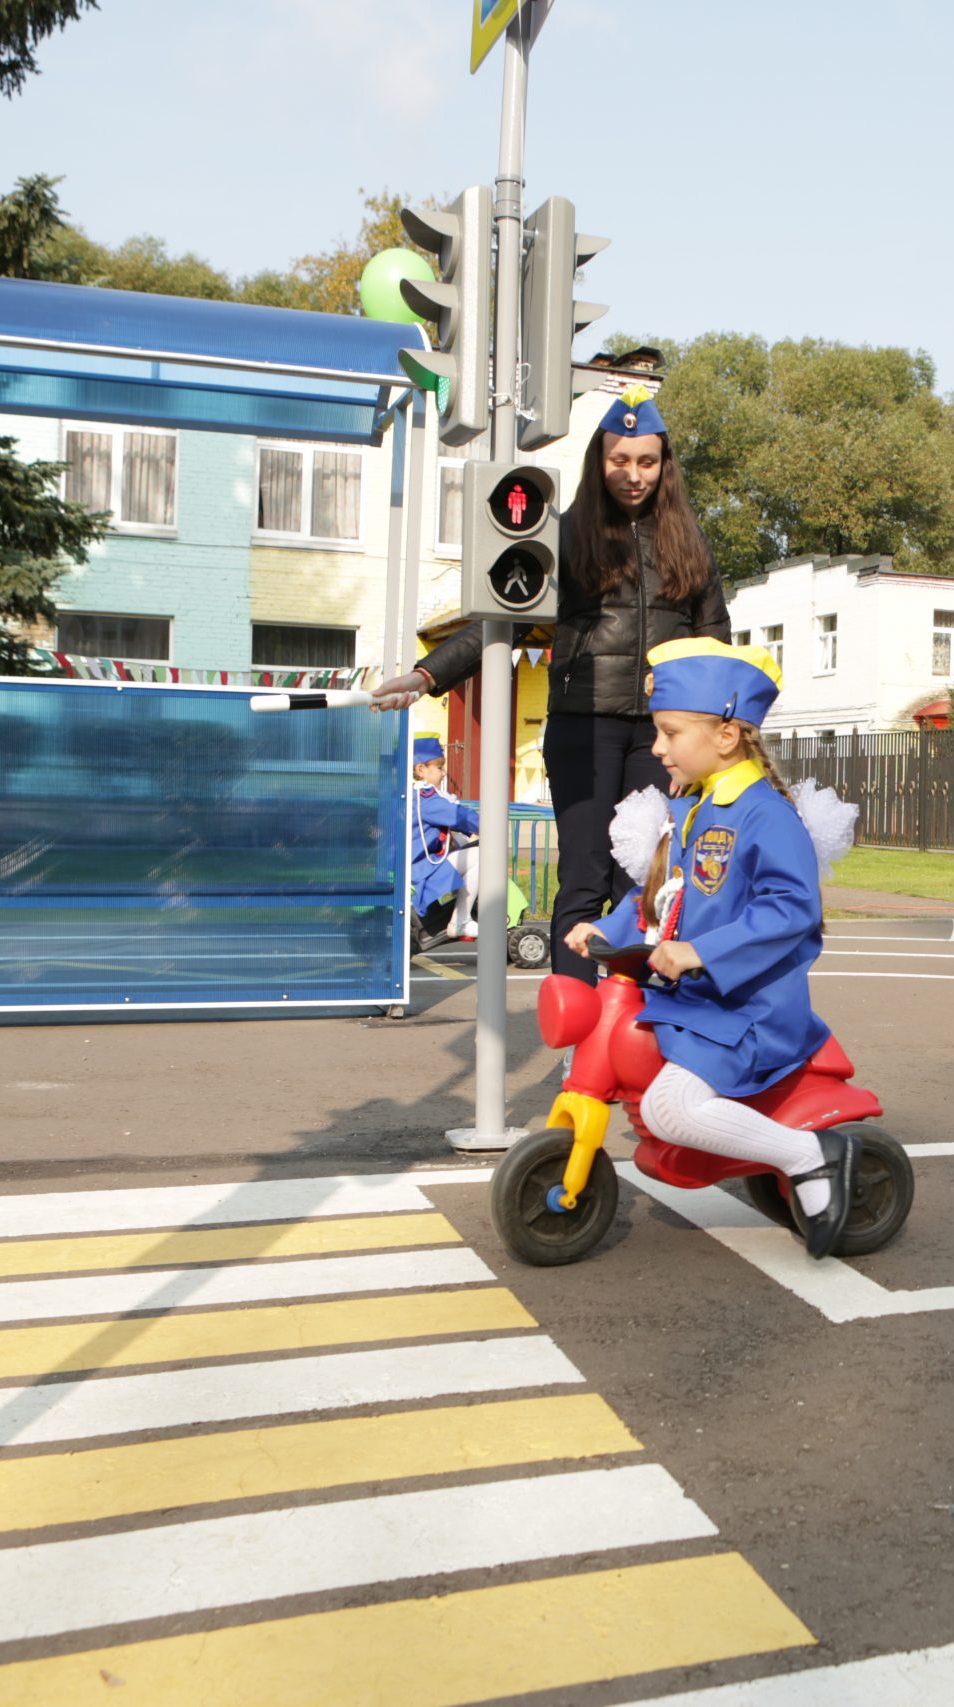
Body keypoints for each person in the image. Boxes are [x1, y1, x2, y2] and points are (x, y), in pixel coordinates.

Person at [371, 385, 730, 977]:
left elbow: (715, 638)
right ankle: (576, 1026)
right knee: (584, 875)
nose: (633, 474)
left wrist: (725, 721)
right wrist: (426, 673)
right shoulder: (564, 534)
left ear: (664, 466)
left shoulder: (689, 541)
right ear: (600, 460)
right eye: (620, 460)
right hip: (583, 728)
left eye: (646, 461)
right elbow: (504, 623)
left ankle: (635, 1020)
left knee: (644, 878)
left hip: (663, 735)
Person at [566, 639, 856, 1256]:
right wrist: (608, 931)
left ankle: (809, 1155)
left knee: (671, 1109)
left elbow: (792, 909)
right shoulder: (693, 808)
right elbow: (663, 895)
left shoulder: (763, 815)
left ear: (727, 735)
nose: (657, 747)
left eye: (670, 732)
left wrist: (700, 953)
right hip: (699, 1005)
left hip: (748, 1012)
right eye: (658, 732)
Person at [407, 734, 476, 943]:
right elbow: (460, 815)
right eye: (439, 767)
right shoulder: (426, 799)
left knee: (465, 845)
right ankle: (461, 919)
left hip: (415, 863)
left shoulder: (412, 794)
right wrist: (491, 825)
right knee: (485, 856)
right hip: (421, 868)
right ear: (421, 770)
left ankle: (460, 908)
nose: (444, 773)